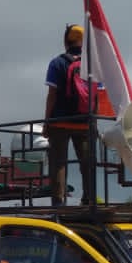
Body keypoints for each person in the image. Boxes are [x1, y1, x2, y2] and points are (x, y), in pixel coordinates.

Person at [43, 24, 93, 207]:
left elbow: (52, 95)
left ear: (66, 41)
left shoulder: (57, 63)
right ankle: (88, 199)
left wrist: (47, 122)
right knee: (87, 163)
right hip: (85, 122)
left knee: (58, 163)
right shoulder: (91, 63)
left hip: (59, 122)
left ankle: (58, 202)